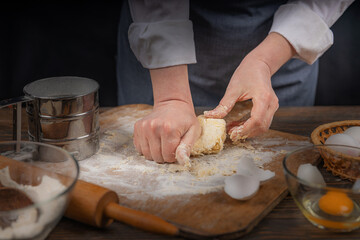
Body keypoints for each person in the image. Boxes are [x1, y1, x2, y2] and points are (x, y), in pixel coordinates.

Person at [116, 0, 354, 164]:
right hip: (160, 45)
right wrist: (171, 97)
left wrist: (264, 61)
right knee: (158, 144)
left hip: (283, 46)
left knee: (283, 161)